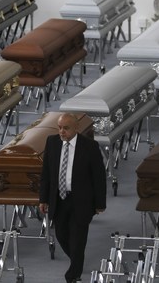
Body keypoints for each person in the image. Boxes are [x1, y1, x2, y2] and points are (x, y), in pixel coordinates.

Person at [39, 113, 106, 283]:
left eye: (66, 128)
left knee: (77, 239)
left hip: (81, 201)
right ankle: (77, 259)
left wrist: (100, 203)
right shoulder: (52, 142)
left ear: (76, 128)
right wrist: (43, 199)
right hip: (59, 199)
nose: (62, 131)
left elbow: (98, 177)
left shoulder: (90, 146)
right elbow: (46, 173)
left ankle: (73, 274)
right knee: (61, 235)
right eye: (60, 127)